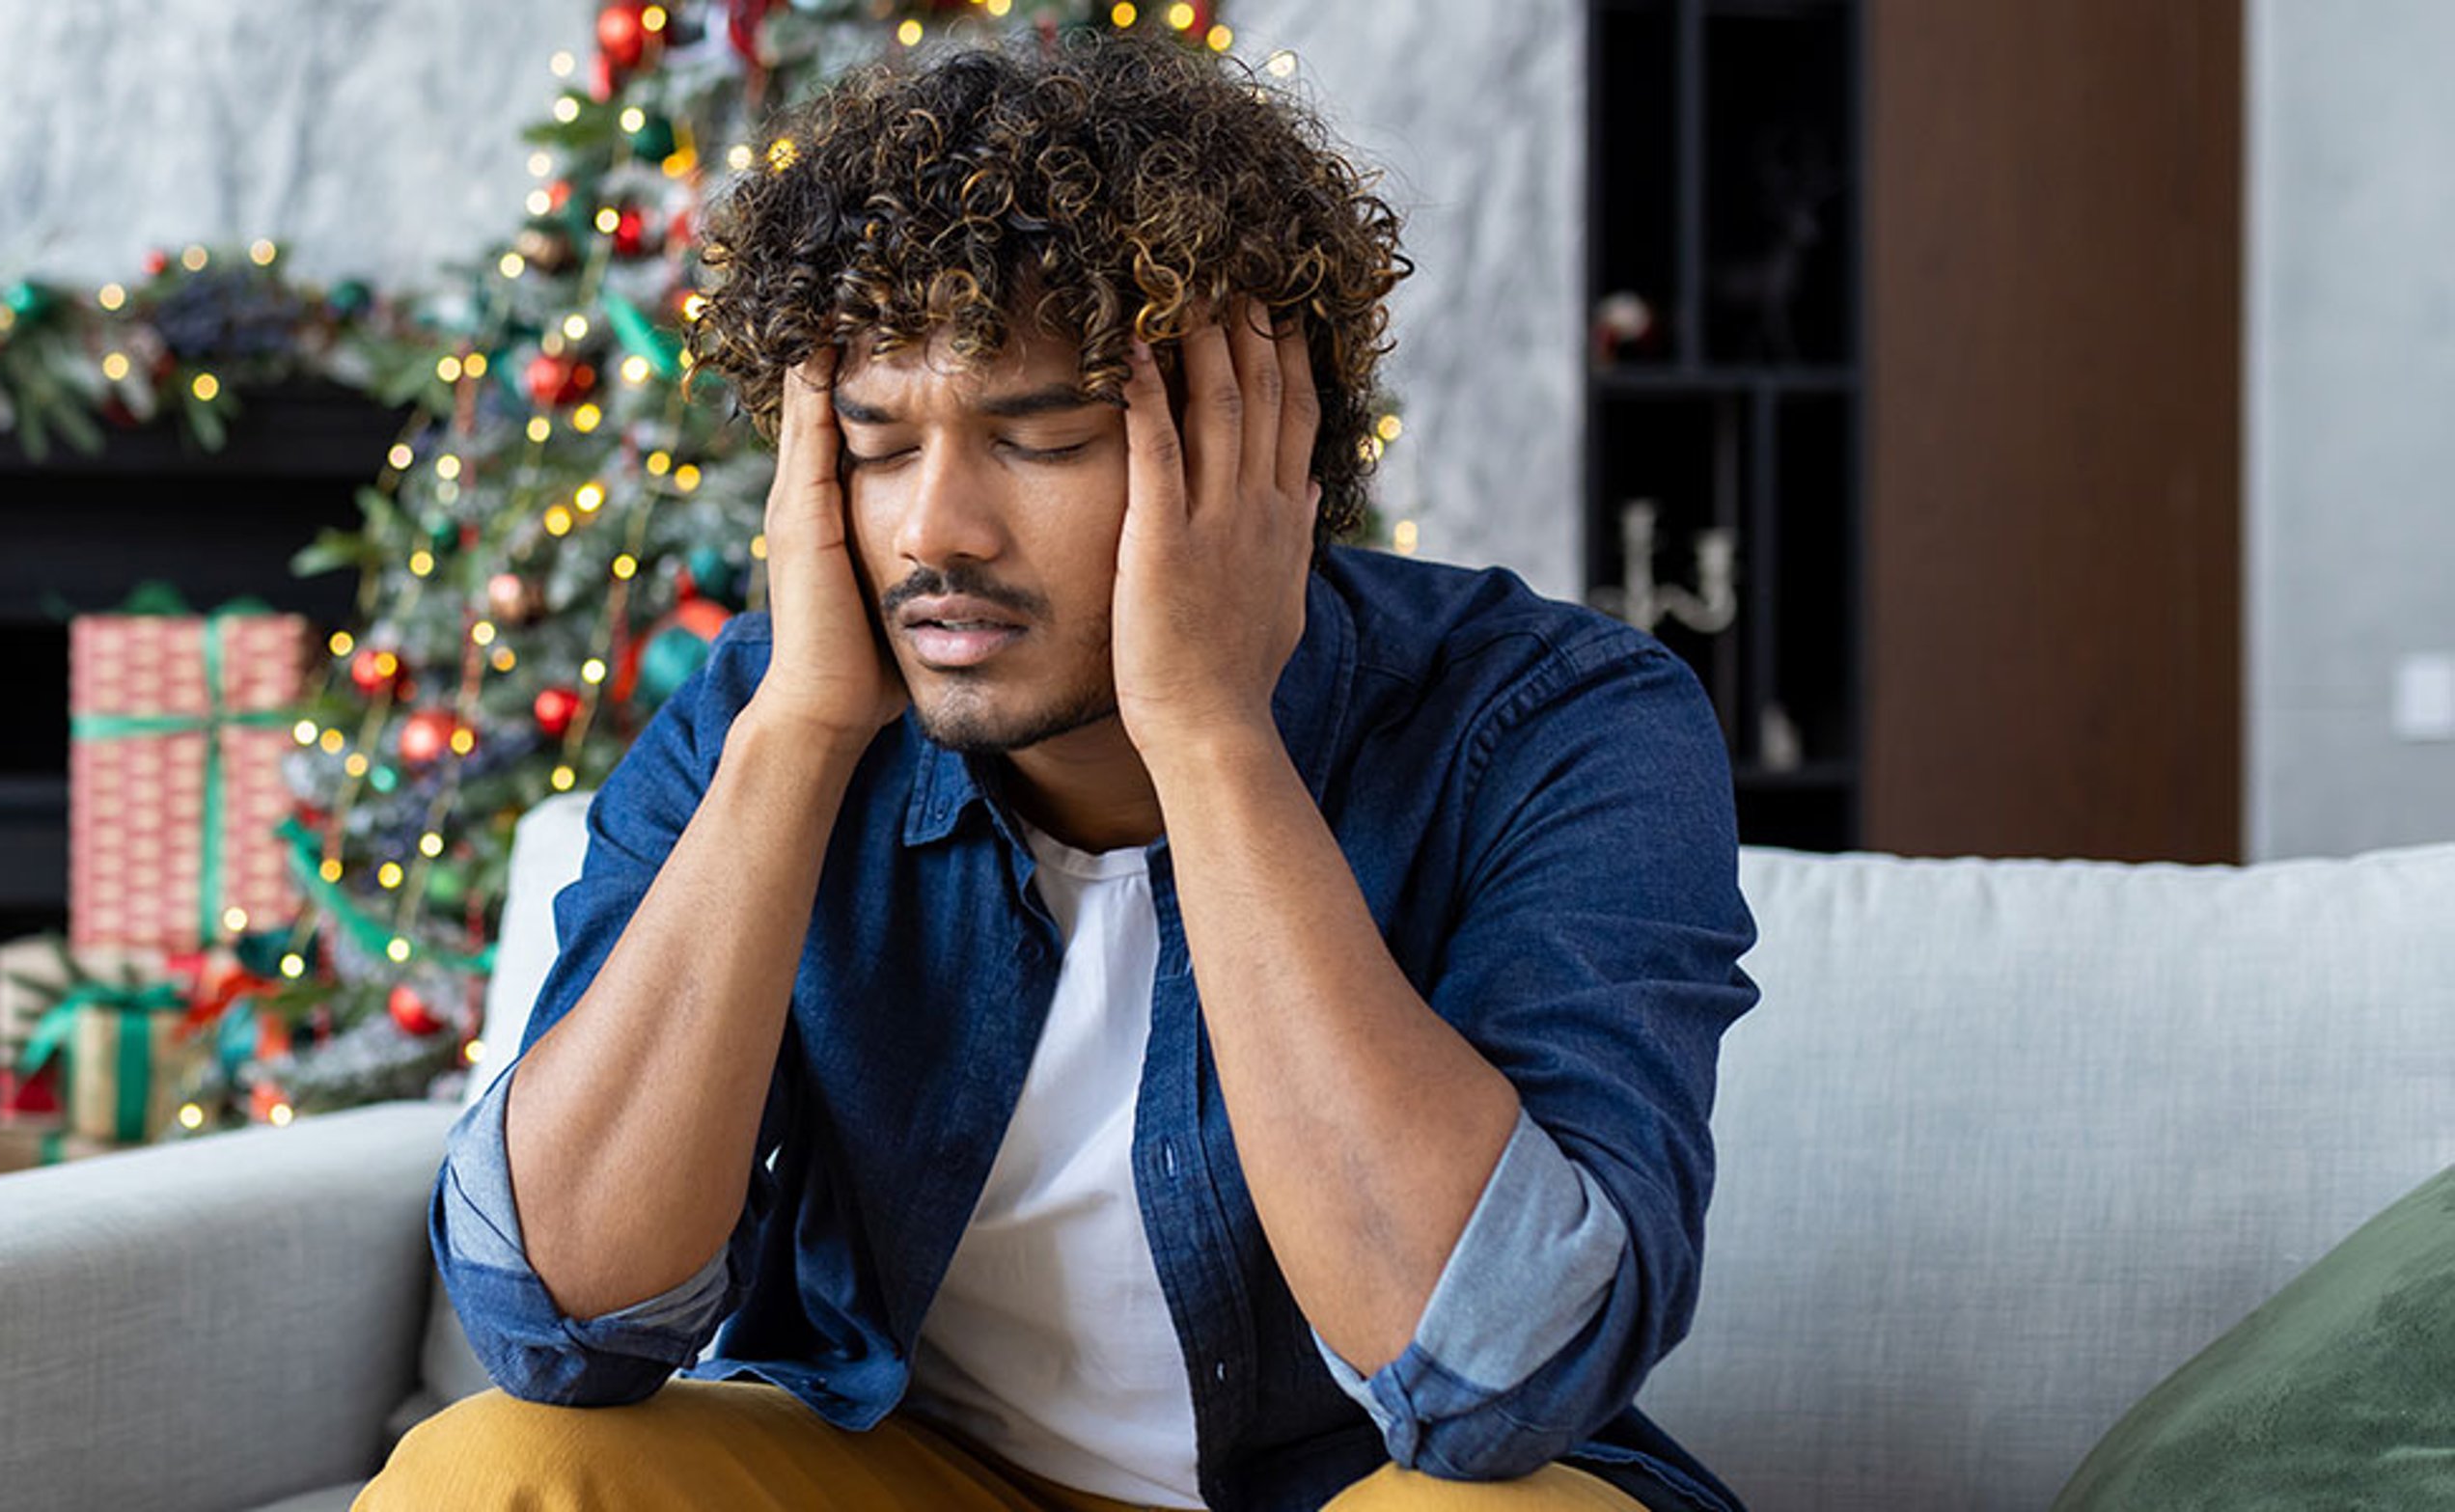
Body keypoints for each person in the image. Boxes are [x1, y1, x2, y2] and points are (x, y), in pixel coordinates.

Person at [362, 27, 1755, 1512]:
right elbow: (551, 1322)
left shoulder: (1555, 722)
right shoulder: (768, 724)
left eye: (1042, 437)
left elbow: (1497, 1380)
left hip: (1362, 1491)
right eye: (880, 447)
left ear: (1266, 451)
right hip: (927, 1478)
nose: (933, 531)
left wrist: (1213, 732)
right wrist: (798, 736)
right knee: (505, 1471)